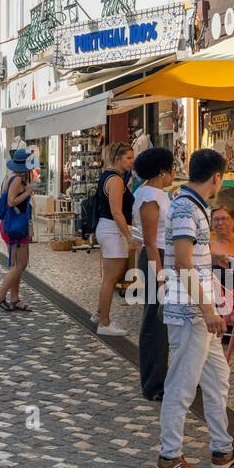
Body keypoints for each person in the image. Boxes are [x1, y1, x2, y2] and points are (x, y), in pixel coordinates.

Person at [157, 148, 234, 468]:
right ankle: (169, 456)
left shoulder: (193, 206)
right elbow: (182, 262)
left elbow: (192, 257)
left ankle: (222, 447)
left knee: (217, 379)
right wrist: (208, 310)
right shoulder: (185, 207)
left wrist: (215, 262)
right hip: (190, 312)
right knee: (182, 384)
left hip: (199, 311)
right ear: (216, 177)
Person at [131, 145, 174, 401]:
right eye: (170, 169)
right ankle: (153, 383)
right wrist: (160, 275)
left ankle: (163, 377)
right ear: (162, 171)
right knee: (155, 323)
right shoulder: (149, 196)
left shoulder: (157, 193)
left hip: (161, 257)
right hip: (155, 258)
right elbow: (150, 240)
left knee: (162, 322)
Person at [92, 142, 136, 337]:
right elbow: (117, 212)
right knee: (111, 278)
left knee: (110, 276)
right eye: (128, 158)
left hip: (107, 228)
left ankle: (100, 313)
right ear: (118, 158)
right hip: (112, 230)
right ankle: (104, 322)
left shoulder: (109, 176)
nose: (131, 162)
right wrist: (128, 237)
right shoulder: (116, 180)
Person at [0, 147, 38, 312]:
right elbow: (12, 201)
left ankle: (14, 299)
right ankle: (0, 296)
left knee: (15, 265)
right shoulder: (18, 180)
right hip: (15, 227)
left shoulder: (10, 176)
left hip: (10, 225)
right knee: (20, 265)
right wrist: (27, 193)